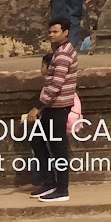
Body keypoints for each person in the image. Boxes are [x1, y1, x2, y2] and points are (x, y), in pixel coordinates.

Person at [24, 18, 77, 202]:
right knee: (37, 140)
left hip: (57, 106)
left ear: (66, 32)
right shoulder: (61, 52)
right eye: (50, 32)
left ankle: (62, 189)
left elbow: (56, 85)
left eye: (55, 32)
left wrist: (38, 107)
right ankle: (49, 182)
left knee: (58, 148)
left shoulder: (62, 55)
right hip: (53, 106)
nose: (51, 35)